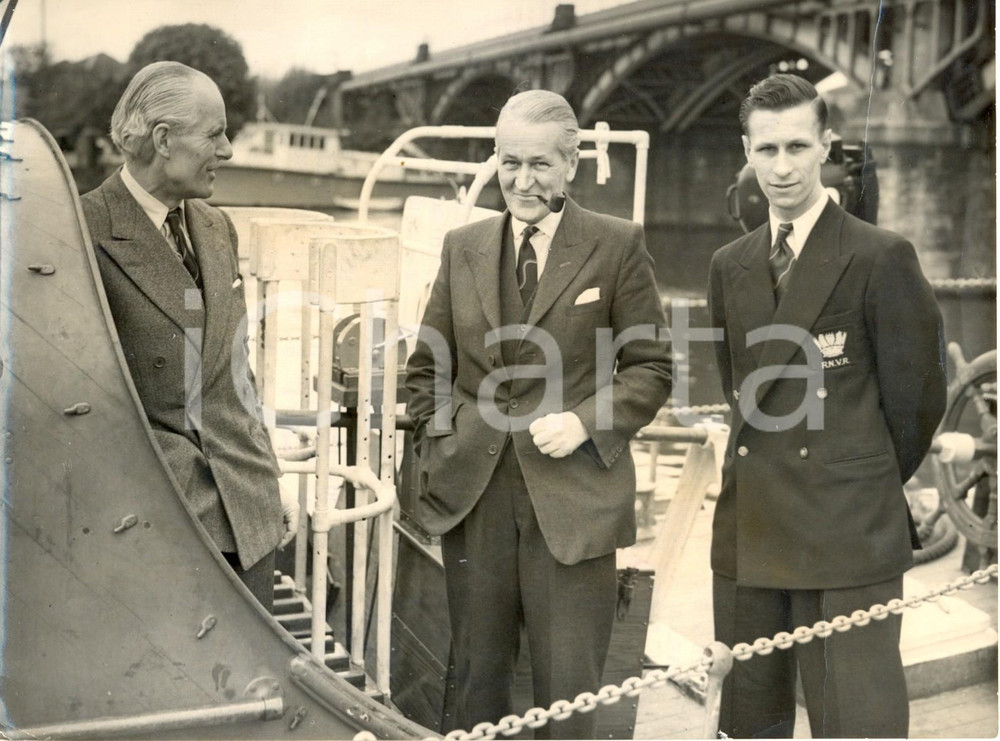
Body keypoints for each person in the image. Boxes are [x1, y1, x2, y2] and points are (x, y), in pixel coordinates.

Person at [405, 89, 672, 738]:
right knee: (478, 688)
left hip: (573, 504)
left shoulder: (616, 245)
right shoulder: (462, 246)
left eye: (540, 165)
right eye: (510, 163)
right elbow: (426, 370)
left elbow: (651, 369)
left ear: (571, 164)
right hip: (477, 502)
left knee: (568, 698)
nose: (522, 182)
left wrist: (584, 422)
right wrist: (447, 443)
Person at [707, 73, 947, 737]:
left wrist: (855, 475)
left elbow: (919, 401)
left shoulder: (880, 255)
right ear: (747, 152)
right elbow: (741, 388)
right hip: (752, 528)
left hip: (847, 534)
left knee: (856, 724)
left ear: (826, 146)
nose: (782, 167)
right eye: (767, 150)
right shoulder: (730, 264)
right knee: (750, 724)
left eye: (797, 147)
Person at [81, 62, 297, 611]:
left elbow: (236, 374)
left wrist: (272, 478)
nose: (227, 150)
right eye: (214, 134)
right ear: (162, 140)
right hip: (161, 523)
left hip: (249, 511)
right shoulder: (81, 233)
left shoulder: (216, 228)